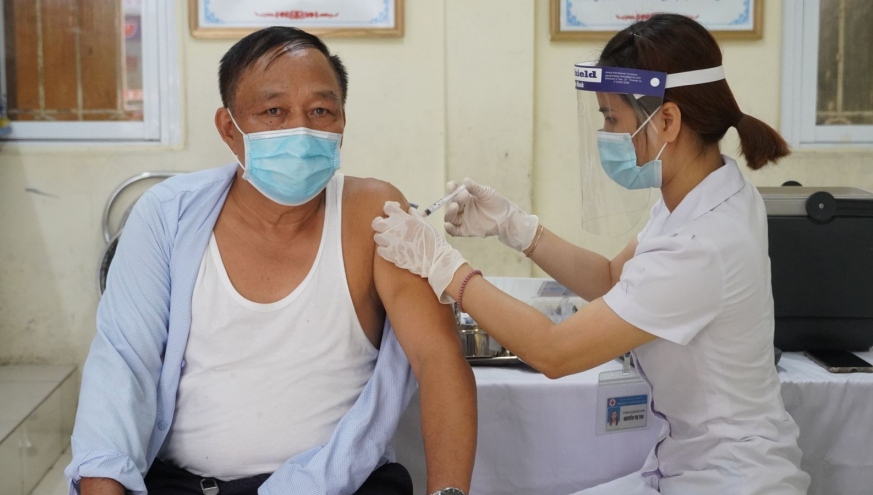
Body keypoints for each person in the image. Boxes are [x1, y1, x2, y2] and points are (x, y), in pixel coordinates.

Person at [372, 14, 810, 495]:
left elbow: (554, 352)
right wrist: (518, 229)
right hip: (691, 465)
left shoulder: (703, 244)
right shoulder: (706, 194)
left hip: (730, 480)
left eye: (611, 118)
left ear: (667, 120)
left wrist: (444, 267)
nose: (605, 133)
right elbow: (610, 279)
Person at [65, 26, 476, 495]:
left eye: (320, 111)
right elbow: (121, 367)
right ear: (229, 129)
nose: (300, 130)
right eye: (273, 111)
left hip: (339, 486)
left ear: (343, 121)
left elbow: (438, 358)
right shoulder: (168, 215)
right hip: (183, 486)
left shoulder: (375, 217)